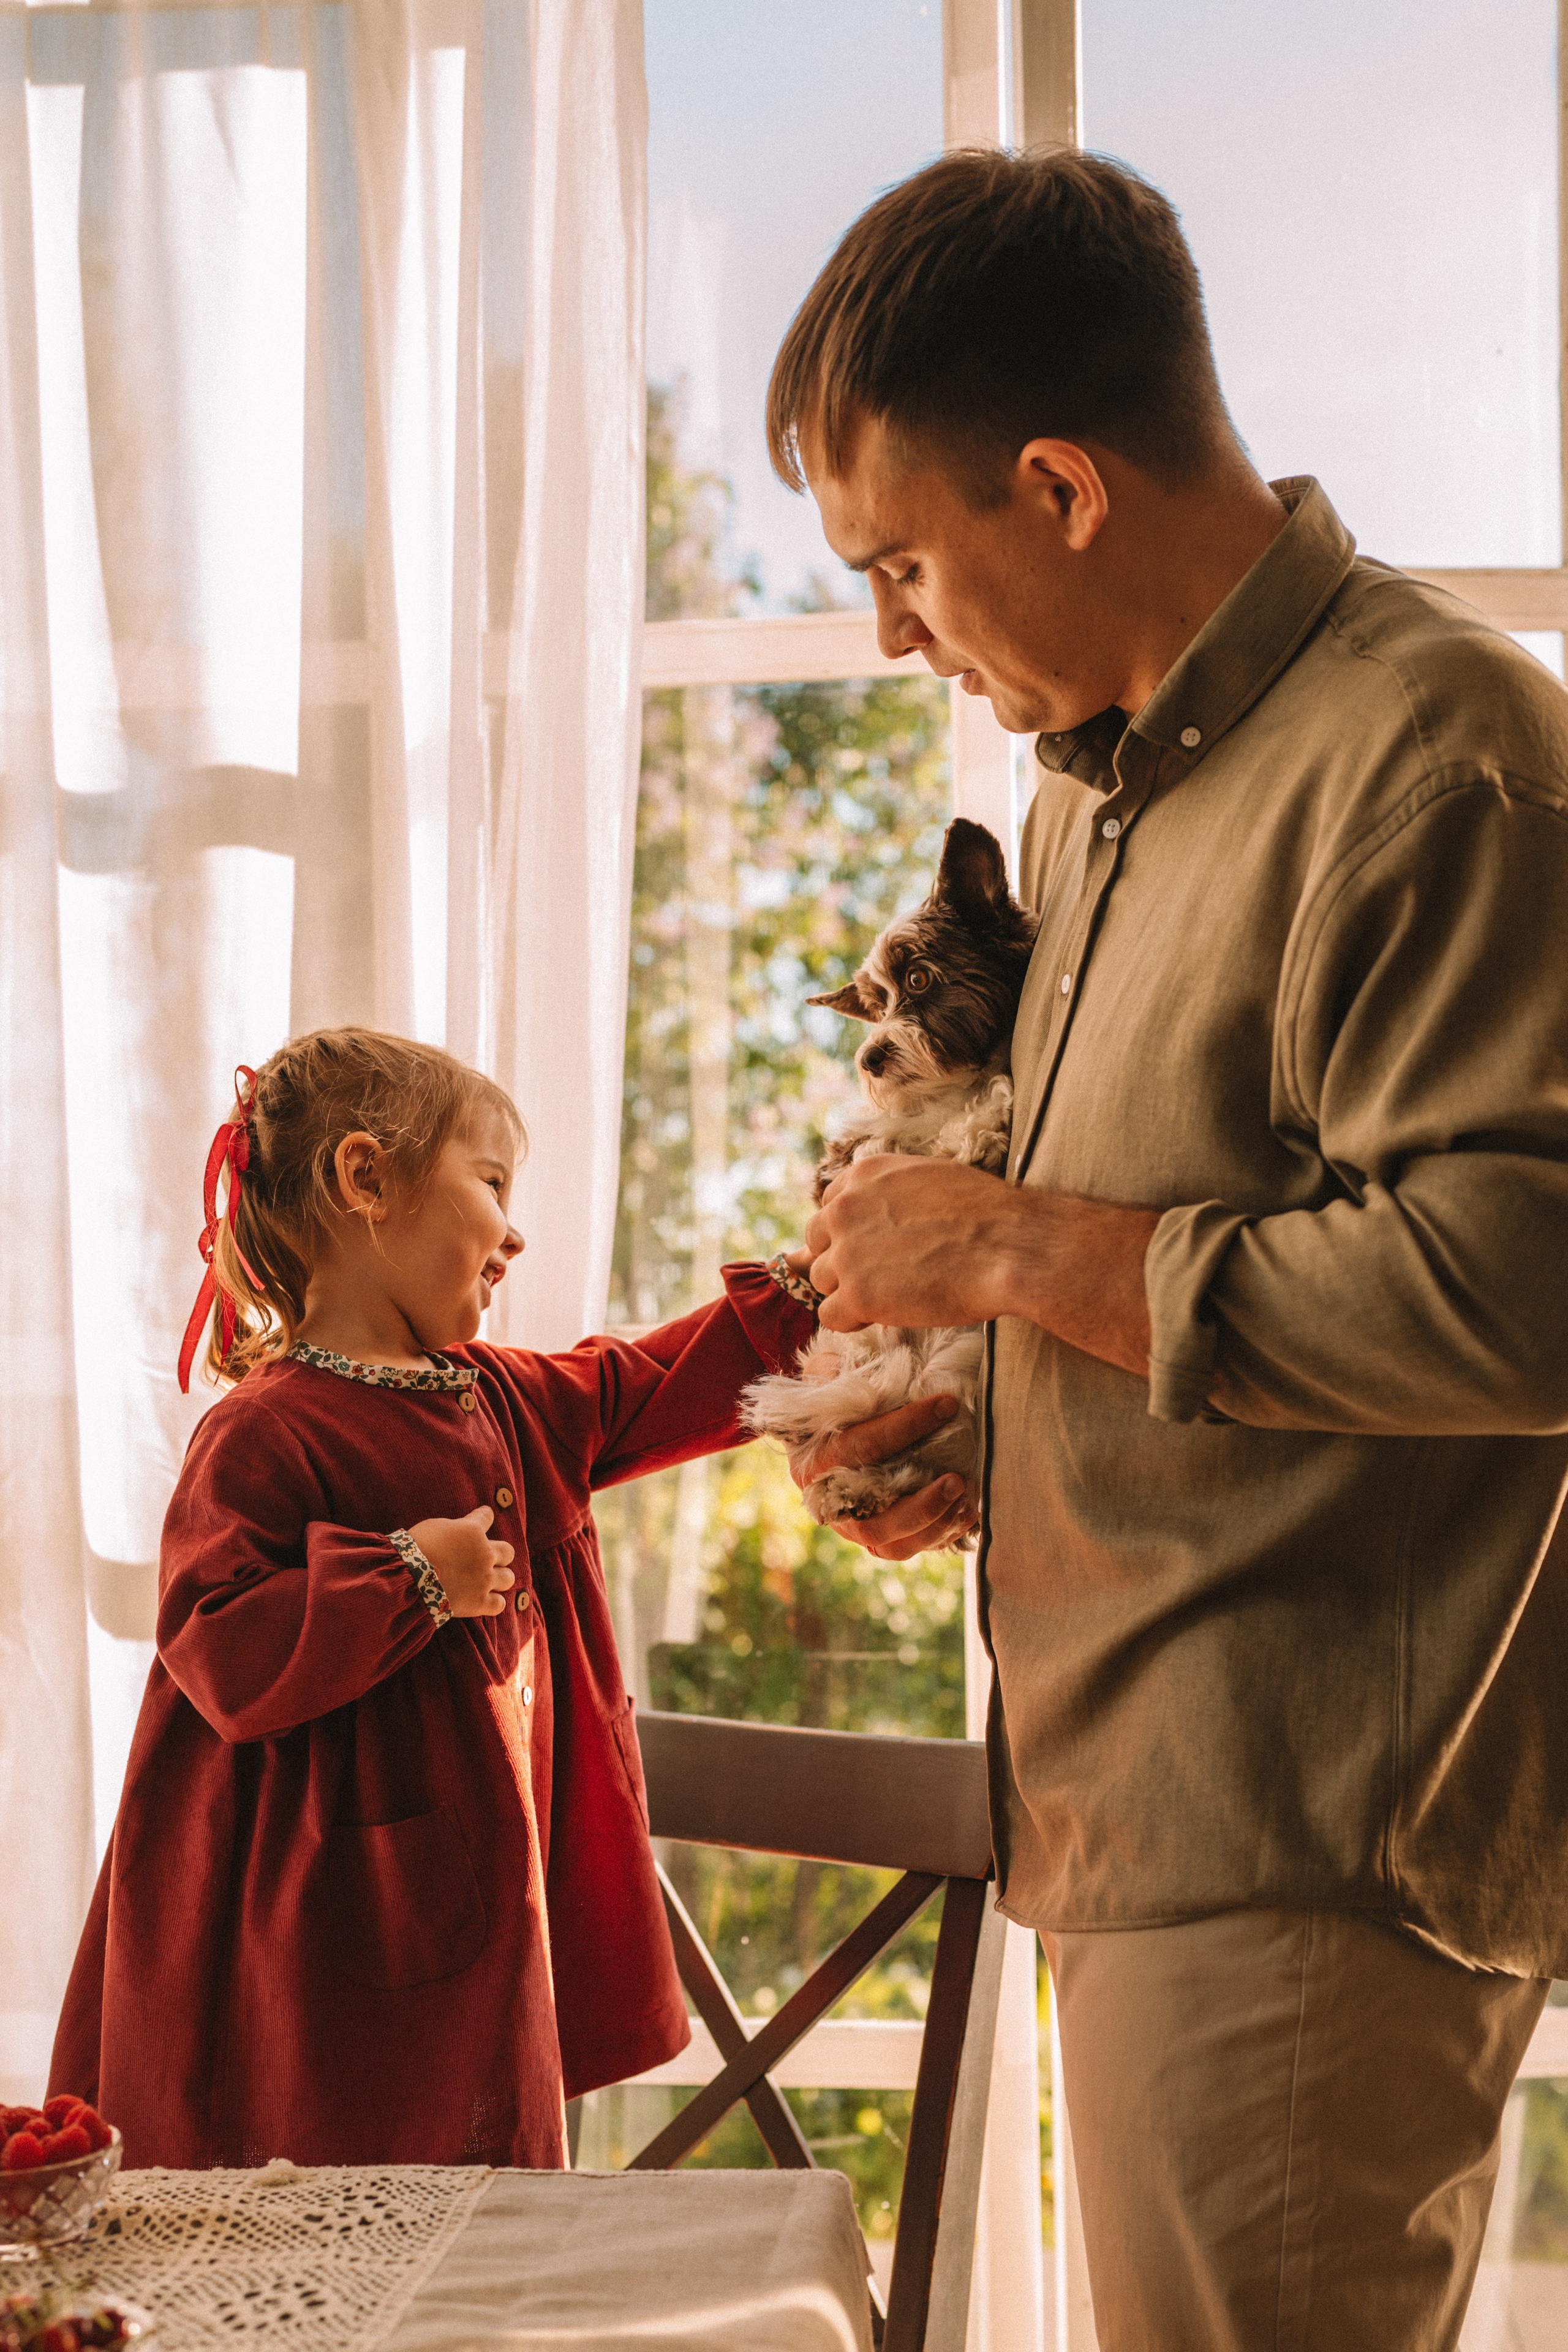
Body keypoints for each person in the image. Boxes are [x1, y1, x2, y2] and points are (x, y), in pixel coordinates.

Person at [767, 146, 1568, 2348]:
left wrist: (1015, 1258)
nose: (892, 635)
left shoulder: (1439, 753)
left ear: (1062, 485)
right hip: (1137, 1818)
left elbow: (1519, 1298)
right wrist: (985, 1435)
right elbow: (1209, 1260)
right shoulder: (1094, 795)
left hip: (1308, 1848)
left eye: (905, 562)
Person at [48, 1027, 818, 2169]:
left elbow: (653, 1383)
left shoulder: (504, 1398)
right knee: (325, 2167)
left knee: (481, 2176)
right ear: (366, 1179)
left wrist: (813, 1285)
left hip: (477, 1905)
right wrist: (410, 1574)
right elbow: (220, 1647)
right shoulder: (264, 1428)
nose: (514, 1232)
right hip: (309, 1926)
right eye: (493, 1182)